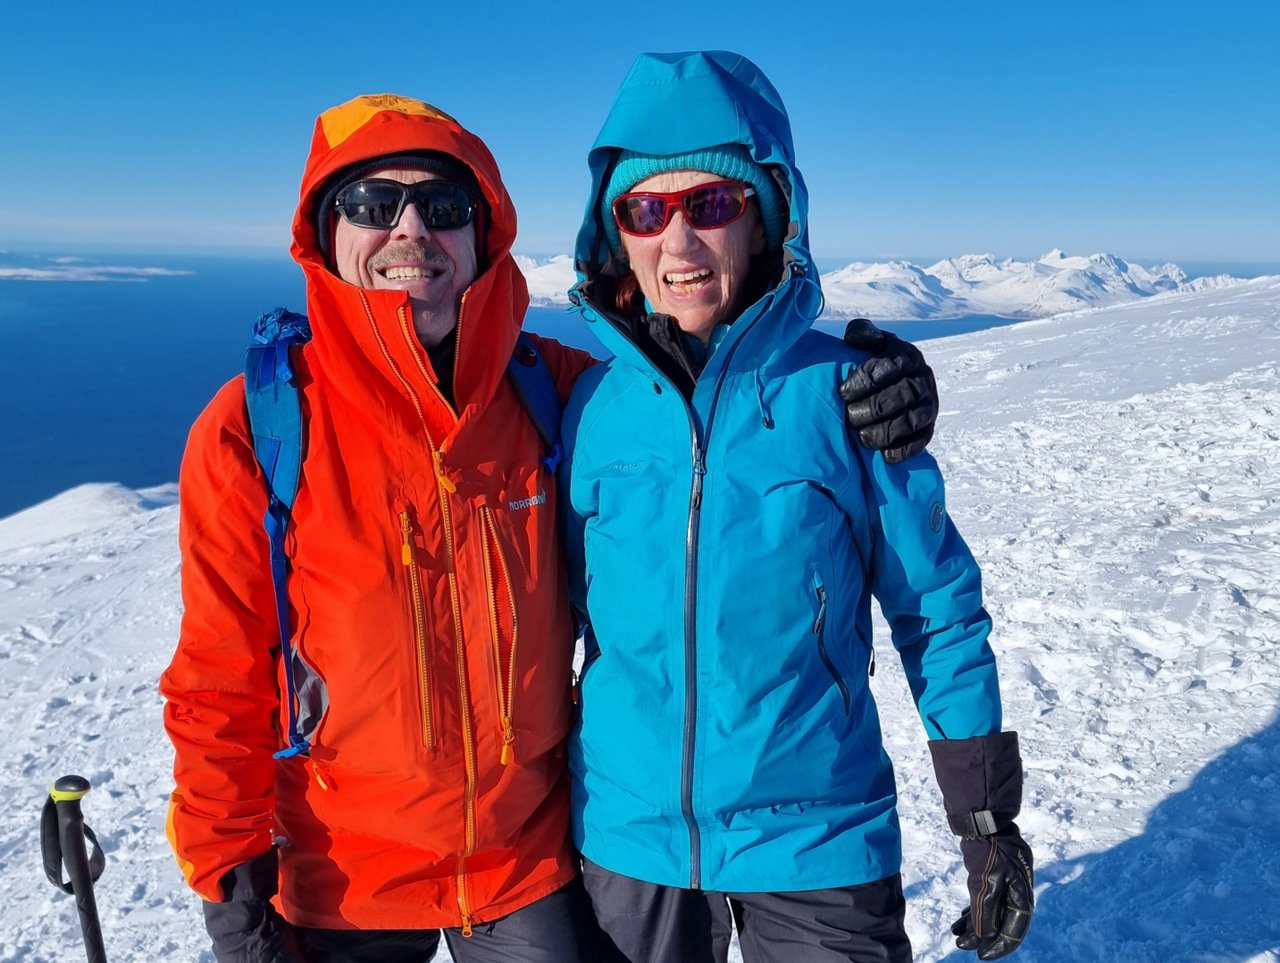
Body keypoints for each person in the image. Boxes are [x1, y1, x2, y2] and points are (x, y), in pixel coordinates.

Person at [161, 93, 941, 963]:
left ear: (481, 237)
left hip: (521, 866)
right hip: (344, 875)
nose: (410, 228)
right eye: (373, 204)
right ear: (325, 232)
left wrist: (875, 378)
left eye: (444, 207)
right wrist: (233, 897)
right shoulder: (258, 428)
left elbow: (681, 401)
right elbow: (217, 685)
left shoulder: (547, 390)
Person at [559, 51, 1035, 963]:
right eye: (647, 210)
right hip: (629, 838)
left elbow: (936, 610)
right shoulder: (588, 412)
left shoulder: (850, 395)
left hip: (818, 830)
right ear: (617, 232)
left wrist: (983, 818)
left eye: (712, 204)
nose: (679, 242)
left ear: (767, 214)